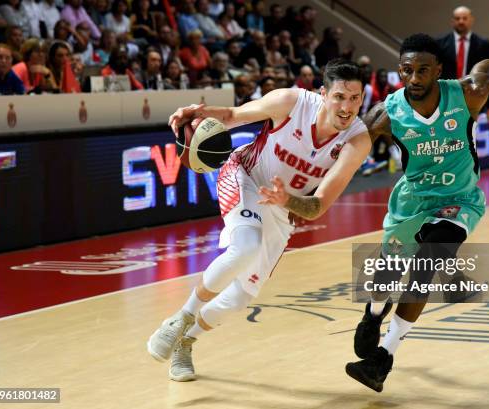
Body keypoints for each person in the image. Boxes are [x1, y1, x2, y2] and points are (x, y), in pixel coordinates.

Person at [344, 33, 489, 393]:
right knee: (384, 282)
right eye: (408, 70)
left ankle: (382, 360)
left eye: (423, 70)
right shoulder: (386, 113)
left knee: (428, 263)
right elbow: (346, 147)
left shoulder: (466, 93)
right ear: (400, 71)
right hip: (410, 203)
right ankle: (374, 313)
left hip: (459, 200)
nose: (415, 78)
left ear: (438, 70)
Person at [147, 59, 372, 382]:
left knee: (240, 297)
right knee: (245, 246)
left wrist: (286, 200)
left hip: (283, 205)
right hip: (246, 176)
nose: (347, 107)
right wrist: (196, 114)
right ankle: (179, 319)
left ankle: (187, 341)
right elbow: (234, 116)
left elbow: (319, 205)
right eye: (339, 97)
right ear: (323, 94)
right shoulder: (290, 102)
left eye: (355, 99)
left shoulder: (356, 140)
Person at [436, 6, 489, 119]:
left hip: (474, 100)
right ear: (452, 21)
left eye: (464, 18)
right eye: (457, 18)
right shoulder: (440, 44)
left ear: (471, 20)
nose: (461, 21)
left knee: (470, 135)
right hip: (446, 100)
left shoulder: (483, 44)